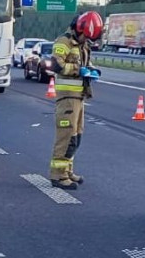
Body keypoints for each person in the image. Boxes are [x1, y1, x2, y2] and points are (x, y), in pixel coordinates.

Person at [48, 11, 103, 190]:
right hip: (67, 98)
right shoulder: (63, 42)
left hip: (79, 97)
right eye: (85, 36)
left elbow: (86, 64)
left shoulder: (83, 44)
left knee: (76, 137)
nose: (86, 40)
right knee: (66, 136)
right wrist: (78, 70)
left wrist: (93, 70)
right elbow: (57, 65)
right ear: (79, 29)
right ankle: (58, 176)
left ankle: (68, 170)